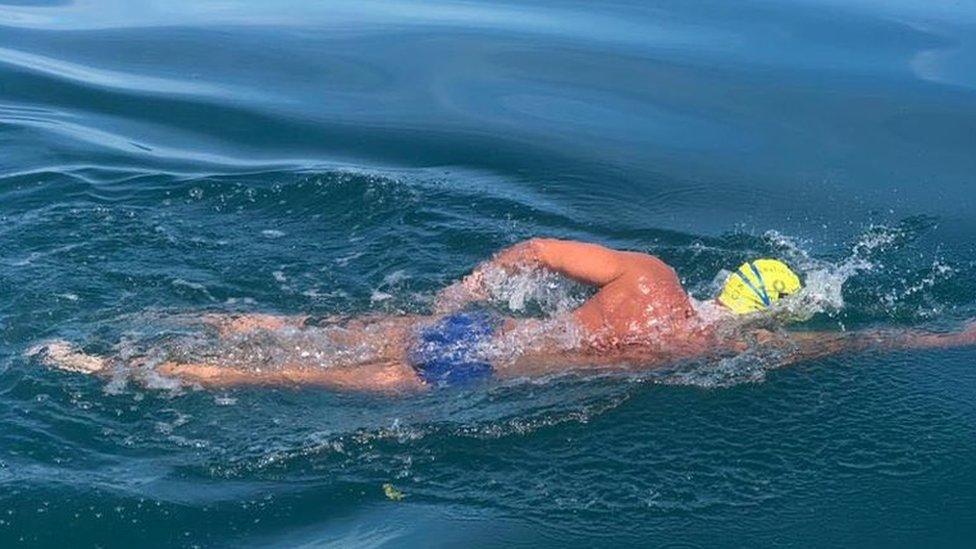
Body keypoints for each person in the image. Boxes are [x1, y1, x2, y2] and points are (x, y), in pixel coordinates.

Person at [32, 238, 976, 392]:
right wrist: (954, 336)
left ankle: (161, 326)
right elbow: (867, 339)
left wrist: (459, 294)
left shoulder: (649, 277)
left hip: (472, 334)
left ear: (726, 276)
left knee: (294, 327)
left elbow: (526, 254)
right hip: (473, 377)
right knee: (292, 376)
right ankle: (122, 368)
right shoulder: (707, 347)